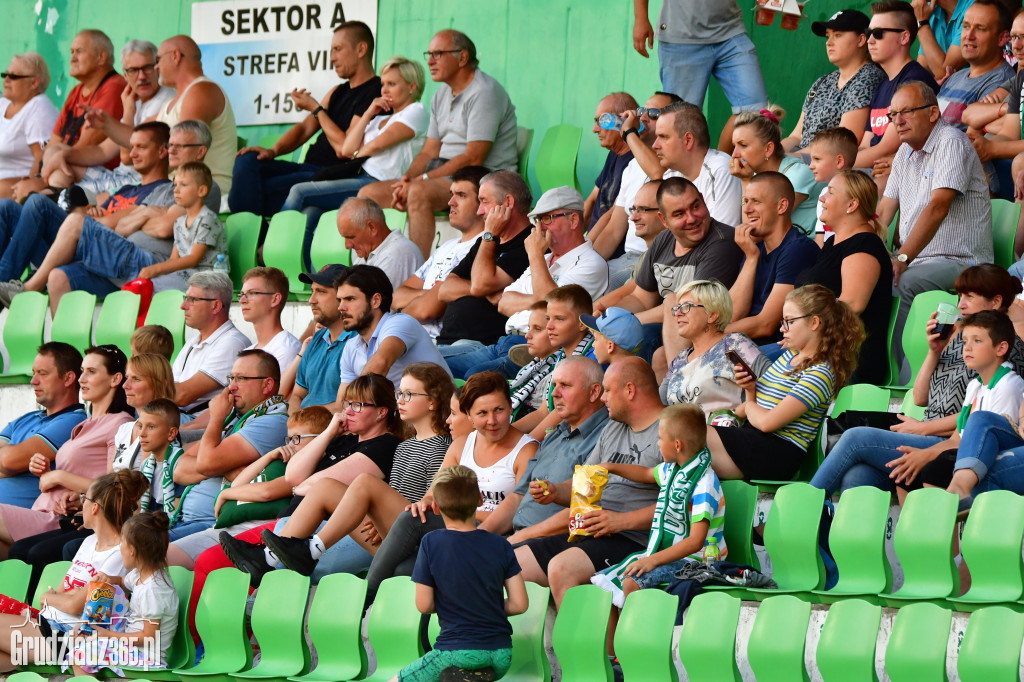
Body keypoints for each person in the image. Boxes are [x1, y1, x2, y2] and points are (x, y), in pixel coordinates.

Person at [223, 363, 455, 581]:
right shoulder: (406, 445)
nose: (400, 401)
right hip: (384, 530)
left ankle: (301, 553)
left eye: (408, 395)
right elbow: (395, 492)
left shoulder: (442, 447)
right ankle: (268, 557)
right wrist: (380, 518)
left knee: (362, 482)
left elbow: (429, 508)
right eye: (399, 394)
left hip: (410, 537)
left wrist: (384, 518)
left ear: (433, 402)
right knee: (326, 487)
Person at [359, 372, 536, 603]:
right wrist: (425, 504)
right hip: (452, 526)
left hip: (491, 534)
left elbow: (516, 511)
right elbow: (434, 493)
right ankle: (377, 612)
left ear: (511, 407)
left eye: (499, 410)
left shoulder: (526, 450)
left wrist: (458, 515)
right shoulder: (462, 444)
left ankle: (363, 600)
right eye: (482, 413)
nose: (492, 420)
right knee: (404, 557)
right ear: (470, 416)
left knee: (409, 544)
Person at [811, 310, 1024, 497]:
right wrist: (922, 454)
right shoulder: (976, 385)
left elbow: (985, 443)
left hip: (971, 460)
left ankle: (809, 504)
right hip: (950, 448)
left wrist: (926, 455)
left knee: (855, 437)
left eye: (977, 341)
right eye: (965, 341)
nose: (967, 348)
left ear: (1001, 348)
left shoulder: (1009, 385)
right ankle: (832, 536)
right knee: (858, 475)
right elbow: (955, 436)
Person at [514, 358, 664, 608]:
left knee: (562, 568)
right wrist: (555, 492)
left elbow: (683, 503)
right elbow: (584, 488)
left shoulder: (671, 429)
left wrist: (620, 521)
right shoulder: (614, 427)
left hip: (638, 539)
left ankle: (590, 649)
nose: (603, 398)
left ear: (630, 390)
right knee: (510, 565)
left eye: (607, 390)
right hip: (595, 532)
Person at [358, 30, 519, 258]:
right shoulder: (440, 94)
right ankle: (378, 267)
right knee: (368, 194)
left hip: (484, 178)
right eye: (429, 54)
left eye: (438, 54)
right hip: (446, 176)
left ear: (462, 58)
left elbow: (474, 158)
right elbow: (429, 150)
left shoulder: (484, 92)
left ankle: (418, 273)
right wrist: (407, 179)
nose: (430, 61)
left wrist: (421, 181)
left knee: (418, 193)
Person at [878, 81, 993, 375]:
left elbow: (938, 206)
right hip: (921, 259)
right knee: (868, 279)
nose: (898, 121)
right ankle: (869, 370)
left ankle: (897, 376)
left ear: (932, 113)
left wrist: (902, 258)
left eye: (906, 112)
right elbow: (883, 214)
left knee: (901, 283)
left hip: (962, 260)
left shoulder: (951, 142)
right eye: (893, 115)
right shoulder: (904, 153)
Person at [593, 403, 724, 649]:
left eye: (660, 439)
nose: (656, 444)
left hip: (696, 561)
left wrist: (652, 560)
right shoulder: (673, 470)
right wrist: (609, 467)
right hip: (670, 555)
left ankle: (637, 652)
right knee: (607, 585)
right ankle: (614, 659)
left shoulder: (704, 483)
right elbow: (644, 473)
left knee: (632, 580)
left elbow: (695, 541)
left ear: (677, 445)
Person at [444, 187, 610, 380]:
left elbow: (553, 306)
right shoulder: (544, 259)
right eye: (538, 221)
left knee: (475, 376)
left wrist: (534, 255)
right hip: (505, 342)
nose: (540, 228)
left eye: (547, 219)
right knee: (438, 366)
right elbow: (504, 303)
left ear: (572, 220)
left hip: (540, 350)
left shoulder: (590, 263)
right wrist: (539, 296)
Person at [0, 121, 172, 306]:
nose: (132, 154)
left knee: (38, 203)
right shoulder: (126, 189)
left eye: (141, 147)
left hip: (106, 256)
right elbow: (86, 215)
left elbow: (103, 225)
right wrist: (95, 216)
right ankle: (4, 283)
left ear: (162, 151)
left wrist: (101, 220)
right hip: (72, 246)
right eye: (132, 147)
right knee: (6, 207)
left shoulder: (163, 191)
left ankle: (14, 284)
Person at [14, 160, 225, 311]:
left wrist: (153, 268)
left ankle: (30, 286)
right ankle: (62, 359)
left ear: (201, 190)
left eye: (183, 185)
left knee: (75, 221)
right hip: (154, 268)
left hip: (191, 278)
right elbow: (125, 227)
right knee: (57, 276)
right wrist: (148, 212)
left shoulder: (205, 217)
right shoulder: (178, 218)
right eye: (175, 184)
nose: (176, 191)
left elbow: (188, 254)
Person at [280, 55, 427, 271]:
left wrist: (359, 150)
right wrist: (368, 113)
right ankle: (311, 272)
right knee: (311, 209)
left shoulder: (416, 111)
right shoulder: (377, 118)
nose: (384, 90)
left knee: (298, 192)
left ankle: (270, 243)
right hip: (358, 177)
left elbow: (378, 145)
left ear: (412, 86)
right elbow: (347, 150)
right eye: (383, 84)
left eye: (392, 84)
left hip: (377, 181)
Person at [707, 285, 863, 482]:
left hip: (776, 454)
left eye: (789, 321)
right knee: (683, 434)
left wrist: (748, 405)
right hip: (753, 440)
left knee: (690, 436)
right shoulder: (789, 356)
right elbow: (756, 410)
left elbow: (767, 423)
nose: (782, 329)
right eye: (783, 321)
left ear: (814, 322)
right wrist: (749, 390)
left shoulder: (820, 373)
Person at [228, 21, 381, 220]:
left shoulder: (375, 91)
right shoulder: (337, 91)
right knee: (246, 160)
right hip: (306, 167)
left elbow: (344, 149)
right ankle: (257, 239)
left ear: (361, 49)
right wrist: (272, 151)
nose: (332, 58)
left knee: (248, 193)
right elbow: (304, 128)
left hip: (330, 175)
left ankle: (256, 242)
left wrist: (316, 109)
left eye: (338, 49)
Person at [0, 469, 146, 672]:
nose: (81, 503)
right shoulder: (89, 542)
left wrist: (59, 599)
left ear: (95, 507)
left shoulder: (119, 553)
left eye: (84, 498)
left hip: (71, 636)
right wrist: (64, 598)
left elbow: (75, 606)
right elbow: (57, 596)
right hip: (49, 624)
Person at [0, 345, 134, 557]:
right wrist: (44, 471)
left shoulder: (120, 423)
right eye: (83, 371)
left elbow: (114, 486)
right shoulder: (84, 425)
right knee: (14, 558)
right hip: (43, 510)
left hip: (59, 518)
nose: (82, 379)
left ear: (115, 379)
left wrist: (58, 476)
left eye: (91, 372)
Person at [397, 465, 528, 682]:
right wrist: (484, 608)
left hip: (457, 651)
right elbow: (520, 604)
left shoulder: (431, 543)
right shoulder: (500, 544)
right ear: (479, 500)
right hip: (501, 655)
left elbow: (424, 605)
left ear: (436, 508)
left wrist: (460, 607)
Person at [166, 349, 289, 560]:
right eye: (231, 378)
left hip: (214, 524)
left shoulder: (272, 421)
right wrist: (222, 467)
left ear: (267, 385)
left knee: (139, 550)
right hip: (187, 521)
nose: (231, 387)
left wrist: (216, 418)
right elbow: (178, 468)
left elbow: (205, 463)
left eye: (241, 379)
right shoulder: (237, 419)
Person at [86, 34, 236, 196]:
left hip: (201, 192)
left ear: (175, 56)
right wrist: (105, 123)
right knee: (95, 204)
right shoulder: (171, 102)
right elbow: (137, 139)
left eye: (158, 60)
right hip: (170, 188)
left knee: (100, 207)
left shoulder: (201, 91)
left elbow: (185, 153)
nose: (156, 68)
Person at [480, 358, 610, 538]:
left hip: (556, 545)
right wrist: (479, 537)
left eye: (565, 385)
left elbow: (584, 507)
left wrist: (518, 539)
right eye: (554, 385)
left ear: (594, 392)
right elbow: (518, 496)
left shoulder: (606, 436)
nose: (554, 393)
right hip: (517, 538)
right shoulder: (557, 433)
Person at [796, 170, 893, 384]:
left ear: (851, 205)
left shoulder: (864, 244)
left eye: (830, 192)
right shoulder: (831, 244)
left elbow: (852, 304)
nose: (821, 198)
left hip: (845, 361)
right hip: (815, 350)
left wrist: (800, 327)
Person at [632, 0, 769, 151]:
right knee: (680, 125)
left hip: (730, 30)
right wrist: (640, 18)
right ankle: (676, 174)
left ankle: (720, 169)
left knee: (757, 111)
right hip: (681, 38)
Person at [44, 39, 175, 195]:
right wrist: (64, 155)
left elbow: (128, 157)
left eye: (147, 68)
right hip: (117, 176)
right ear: (125, 75)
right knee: (56, 151)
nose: (141, 76)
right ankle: (52, 196)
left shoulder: (166, 101)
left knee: (65, 193)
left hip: (136, 183)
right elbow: (103, 151)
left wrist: (127, 112)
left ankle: (53, 198)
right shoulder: (136, 101)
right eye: (133, 70)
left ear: (157, 68)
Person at [11, 30, 127, 203]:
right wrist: (34, 177)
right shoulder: (76, 91)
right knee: (52, 152)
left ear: (101, 57)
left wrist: (39, 182)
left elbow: (83, 149)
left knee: (58, 159)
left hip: (94, 177)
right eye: (72, 52)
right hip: (61, 172)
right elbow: (53, 143)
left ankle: (49, 197)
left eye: (79, 51)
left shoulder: (114, 87)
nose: (72, 57)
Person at [67, 511, 178, 675]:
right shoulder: (140, 574)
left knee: (81, 655)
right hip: (130, 646)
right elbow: (121, 582)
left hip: (147, 658)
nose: (120, 549)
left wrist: (107, 635)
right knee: (81, 631)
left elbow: (148, 636)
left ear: (132, 550)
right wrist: (107, 579)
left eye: (122, 544)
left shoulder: (153, 591)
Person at [435, 170, 532, 351]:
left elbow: (480, 284)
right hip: (447, 342)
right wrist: (488, 292)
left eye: (484, 202)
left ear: (508, 203)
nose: (479, 211)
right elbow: (445, 290)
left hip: (483, 346)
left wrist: (490, 235)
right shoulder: (484, 241)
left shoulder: (529, 243)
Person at [726, 172, 820, 351]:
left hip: (782, 347)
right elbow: (732, 315)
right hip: (744, 342)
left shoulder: (798, 249)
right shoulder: (755, 248)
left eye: (756, 201)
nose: (746, 209)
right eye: (745, 201)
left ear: (781, 206)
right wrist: (751, 258)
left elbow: (766, 325)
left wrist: (711, 335)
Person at [392, 166, 488, 339]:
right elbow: (397, 296)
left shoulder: (485, 245)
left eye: (462, 195)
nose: (451, 202)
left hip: (441, 344)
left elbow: (426, 311)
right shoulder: (446, 246)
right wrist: (434, 292)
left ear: (483, 202)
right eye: (452, 194)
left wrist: (427, 300)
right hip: (412, 338)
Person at [331, 264, 448, 405]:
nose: (341, 308)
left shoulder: (400, 322)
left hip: (438, 419)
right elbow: (340, 406)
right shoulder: (351, 346)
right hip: (397, 421)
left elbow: (381, 363)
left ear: (375, 301)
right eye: (340, 300)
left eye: (350, 299)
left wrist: (352, 409)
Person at [661, 280, 772, 418]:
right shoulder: (680, 359)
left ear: (712, 315)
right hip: (682, 435)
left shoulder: (734, 343)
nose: (678, 313)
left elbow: (773, 385)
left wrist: (741, 412)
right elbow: (659, 405)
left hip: (727, 433)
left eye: (686, 306)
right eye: (677, 308)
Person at [782, 10, 885, 153]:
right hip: (801, 159)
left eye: (837, 35)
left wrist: (786, 160)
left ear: (861, 40)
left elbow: (841, 144)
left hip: (831, 164)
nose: (829, 43)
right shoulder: (823, 81)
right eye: (827, 36)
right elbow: (796, 136)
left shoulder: (869, 77)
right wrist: (771, 155)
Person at [854, 1, 939, 170]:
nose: (869, 40)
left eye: (878, 33)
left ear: (904, 37)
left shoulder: (914, 83)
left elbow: (886, 148)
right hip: (871, 169)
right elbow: (866, 144)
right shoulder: (882, 85)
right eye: (868, 32)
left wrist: (837, 167)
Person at [0, 343, 86, 508]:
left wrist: (10, 463)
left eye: (42, 374)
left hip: (26, 520)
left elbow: (9, 460)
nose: (33, 381)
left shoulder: (73, 421)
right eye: (33, 373)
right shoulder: (26, 418)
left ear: (68, 378)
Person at [729, 109, 823, 237]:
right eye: (734, 146)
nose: (735, 154)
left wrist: (746, 181)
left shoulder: (797, 175)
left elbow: (755, 235)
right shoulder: (757, 175)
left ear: (768, 149)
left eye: (743, 145)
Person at [652, 101, 742, 227]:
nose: (655, 145)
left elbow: (722, 238)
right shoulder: (670, 176)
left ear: (688, 140)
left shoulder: (720, 169)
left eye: (663, 137)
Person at [172, 271, 251, 412]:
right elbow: (172, 387)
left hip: (196, 424)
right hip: (178, 417)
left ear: (215, 306)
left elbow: (181, 396)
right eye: (186, 298)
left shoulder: (232, 343)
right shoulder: (193, 341)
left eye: (192, 300)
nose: (183, 305)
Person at [934, 0, 1013, 131]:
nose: (969, 36)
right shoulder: (954, 77)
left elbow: (973, 143)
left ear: (1002, 38)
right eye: (965, 26)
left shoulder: (1001, 82)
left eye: (980, 29)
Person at [288, 264, 356, 412]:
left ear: (343, 297)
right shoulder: (317, 339)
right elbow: (297, 395)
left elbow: (351, 406)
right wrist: (295, 427)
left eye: (321, 292)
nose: (311, 300)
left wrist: (305, 423)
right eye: (312, 291)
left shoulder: (358, 341)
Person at [0, 52, 57, 198]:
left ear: (34, 83)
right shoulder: (3, 104)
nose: (6, 80)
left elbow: (42, 158)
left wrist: (27, 189)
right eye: (5, 75)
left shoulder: (39, 108)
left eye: (13, 76)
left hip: (14, 188)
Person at [338, 197, 423, 291]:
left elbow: (375, 304)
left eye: (351, 237)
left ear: (372, 228)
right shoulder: (367, 254)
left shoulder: (395, 255)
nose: (347, 246)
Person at [586, 93, 638, 228]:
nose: (594, 129)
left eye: (602, 120)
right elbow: (592, 199)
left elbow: (612, 221)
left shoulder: (637, 161)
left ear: (623, 120)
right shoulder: (613, 153)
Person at [806, 126, 861, 244]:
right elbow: (820, 238)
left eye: (817, 159)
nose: (811, 166)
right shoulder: (823, 194)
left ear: (839, 161)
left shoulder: (859, 191)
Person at [239, 267, 301, 372]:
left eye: (252, 293)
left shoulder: (286, 349)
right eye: (241, 294)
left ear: (275, 299)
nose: (242, 300)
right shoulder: (248, 351)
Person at [915, 0, 971, 80]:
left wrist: (921, 23)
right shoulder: (931, 8)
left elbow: (944, 74)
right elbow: (922, 69)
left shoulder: (975, 7)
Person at [581, 308, 645, 365]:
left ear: (610, 346)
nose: (593, 345)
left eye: (595, 339)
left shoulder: (615, 377)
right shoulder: (637, 372)